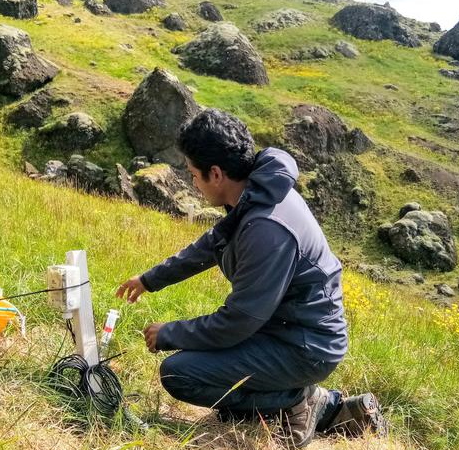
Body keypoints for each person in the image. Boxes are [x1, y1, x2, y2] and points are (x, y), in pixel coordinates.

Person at [116, 108, 386, 447]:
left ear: (215, 174)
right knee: (194, 366)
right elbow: (212, 243)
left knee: (179, 373)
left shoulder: (267, 229)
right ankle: (328, 406)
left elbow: (238, 322)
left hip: (305, 347)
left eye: (193, 175)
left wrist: (170, 333)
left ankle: (299, 401)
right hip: (283, 330)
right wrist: (149, 279)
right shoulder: (257, 190)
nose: (193, 183)